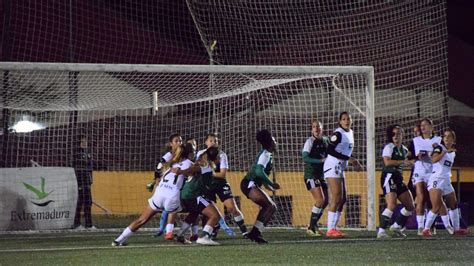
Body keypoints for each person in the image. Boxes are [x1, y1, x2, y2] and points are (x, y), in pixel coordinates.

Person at [112, 143, 195, 246]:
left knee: (141, 220)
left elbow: (159, 168)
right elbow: (195, 172)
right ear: (190, 154)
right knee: (187, 209)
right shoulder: (190, 163)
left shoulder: (171, 162)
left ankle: (118, 240)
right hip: (172, 195)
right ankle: (170, 232)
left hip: (159, 193)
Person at [196, 133, 247, 237]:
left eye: (216, 141)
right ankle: (212, 229)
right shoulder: (200, 154)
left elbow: (222, 174)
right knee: (207, 211)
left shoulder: (222, 154)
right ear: (205, 142)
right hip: (206, 185)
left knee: (232, 208)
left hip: (220, 184)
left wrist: (209, 173)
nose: (214, 142)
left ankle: (244, 231)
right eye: (211, 140)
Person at [423, 129, 469, 236]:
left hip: (446, 180)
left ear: (453, 140)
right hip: (436, 180)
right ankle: (426, 229)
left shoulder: (452, 153)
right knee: (436, 206)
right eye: (445, 137)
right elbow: (434, 160)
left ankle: (456, 229)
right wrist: (444, 152)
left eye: (449, 137)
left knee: (453, 204)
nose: (447, 139)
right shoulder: (440, 148)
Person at [323, 112, 362, 238]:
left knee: (343, 198)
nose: (346, 121)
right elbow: (329, 149)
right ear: (340, 121)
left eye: (348, 119)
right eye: (344, 119)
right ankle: (330, 229)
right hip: (332, 165)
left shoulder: (350, 133)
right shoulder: (338, 133)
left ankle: (334, 227)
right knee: (336, 196)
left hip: (340, 168)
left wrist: (351, 161)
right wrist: (349, 159)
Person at [240, 129, 280, 244]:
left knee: (270, 207)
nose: (276, 141)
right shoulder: (266, 154)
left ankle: (255, 233)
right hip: (249, 183)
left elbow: (261, 173)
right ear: (270, 142)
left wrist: (267, 185)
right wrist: (271, 183)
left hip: (251, 183)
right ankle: (255, 233)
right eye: (274, 139)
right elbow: (258, 171)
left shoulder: (267, 154)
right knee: (270, 206)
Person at [376, 125, 415, 239]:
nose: (396, 136)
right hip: (389, 177)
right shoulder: (389, 147)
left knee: (410, 205)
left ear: (402, 135)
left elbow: (412, 156)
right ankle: (381, 231)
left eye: (398, 133)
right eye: (393, 134)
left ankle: (396, 226)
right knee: (392, 204)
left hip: (399, 179)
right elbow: (387, 162)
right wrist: (404, 162)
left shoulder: (404, 149)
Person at [180, 146, 224, 245]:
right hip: (194, 196)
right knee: (214, 215)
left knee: (194, 214)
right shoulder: (207, 167)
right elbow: (195, 169)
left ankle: (179, 234)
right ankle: (205, 237)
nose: (220, 159)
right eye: (219, 157)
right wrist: (181, 172)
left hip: (191, 195)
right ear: (215, 158)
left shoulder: (206, 165)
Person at [149, 134, 183, 239]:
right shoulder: (169, 155)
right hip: (170, 187)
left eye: (180, 141)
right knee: (169, 209)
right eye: (176, 141)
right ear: (170, 144)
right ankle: (166, 230)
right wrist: (156, 178)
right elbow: (159, 166)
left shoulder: (184, 155)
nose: (179, 143)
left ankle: (169, 231)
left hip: (180, 184)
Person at [411, 118, 441, 235]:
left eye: (425, 125)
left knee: (432, 200)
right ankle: (420, 227)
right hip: (420, 170)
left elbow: (436, 154)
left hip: (433, 171)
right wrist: (428, 153)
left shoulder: (438, 139)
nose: (422, 127)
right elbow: (419, 155)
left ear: (431, 126)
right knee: (421, 197)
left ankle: (430, 226)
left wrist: (430, 153)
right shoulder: (416, 139)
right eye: (421, 125)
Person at [302, 119, 329, 237]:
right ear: (311, 129)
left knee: (326, 201)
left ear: (322, 129)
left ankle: (314, 225)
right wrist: (320, 161)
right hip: (311, 175)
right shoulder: (309, 142)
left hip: (321, 176)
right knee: (320, 200)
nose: (316, 129)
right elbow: (305, 158)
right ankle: (311, 227)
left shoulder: (326, 141)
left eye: (318, 127)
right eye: (314, 127)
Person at [73, 135, 95, 230]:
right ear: (79, 143)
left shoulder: (88, 153)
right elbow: (77, 168)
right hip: (80, 182)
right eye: (83, 142)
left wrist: (90, 181)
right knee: (80, 203)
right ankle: (76, 224)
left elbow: (90, 168)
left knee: (88, 203)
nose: (85, 143)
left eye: (85, 142)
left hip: (87, 182)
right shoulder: (77, 154)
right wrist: (79, 183)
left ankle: (88, 224)